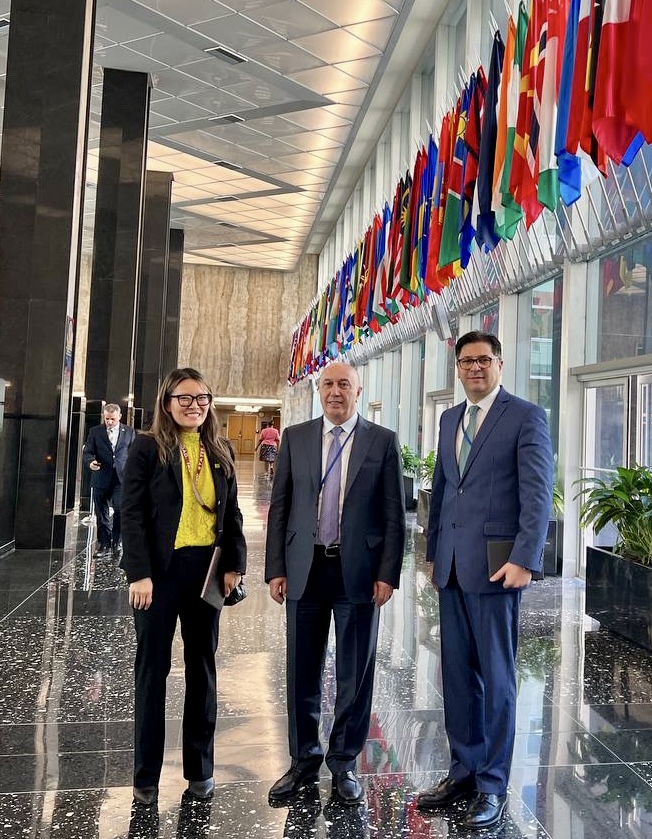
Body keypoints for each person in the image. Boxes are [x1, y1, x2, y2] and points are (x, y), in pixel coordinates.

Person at [416, 331, 552, 830]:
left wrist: (525, 558)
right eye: (466, 361)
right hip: (452, 567)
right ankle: (464, 771)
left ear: (500, 363)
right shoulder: (450, 418)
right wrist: (434, 555)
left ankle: (492, 784)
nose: (475, 367)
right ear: (457, 368)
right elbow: (443, 491)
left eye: (484, 360)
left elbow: (538, 493)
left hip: (497, 569)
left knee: (497, 680)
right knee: (456, 677)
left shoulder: (525, 416)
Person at [265, 362, 405, 807]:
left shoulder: (382, 441)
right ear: (318, 390)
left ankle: (344, 762)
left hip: (358, 573)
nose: (335, 391)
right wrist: (276, 568)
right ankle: (303, 760)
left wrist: (387, 573)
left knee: (354, 673)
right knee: (301, 670)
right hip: (305, 568)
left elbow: (394, 514)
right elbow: (281, 506)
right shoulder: (296, 438)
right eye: (328, 384)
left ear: (358, 392)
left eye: (344, 384)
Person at [120, 368, 247, 807]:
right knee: (152, 671)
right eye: (185, 398)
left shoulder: (220, 449)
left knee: (203, 670)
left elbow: (232, 515)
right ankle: (146, 776)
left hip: (205, 573)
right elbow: (131, 513)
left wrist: (234, 565)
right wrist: (139, 573)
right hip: (158, 575)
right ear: (167, 402)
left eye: (202, 398)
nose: (195, 406)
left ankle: (200, 769)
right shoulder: (147, 448)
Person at [83, 403, 135, 557]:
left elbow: (134, 453)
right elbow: (88, 452)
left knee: (119, 509)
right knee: (101, 512)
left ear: (120, 417)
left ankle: (117, 542)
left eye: (113, 419)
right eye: (107, 419)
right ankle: (104, 544)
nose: (110, 422)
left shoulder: (129, 432)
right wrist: (91, 462)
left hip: (121, 478)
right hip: (101, 476)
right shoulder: (95, 431)